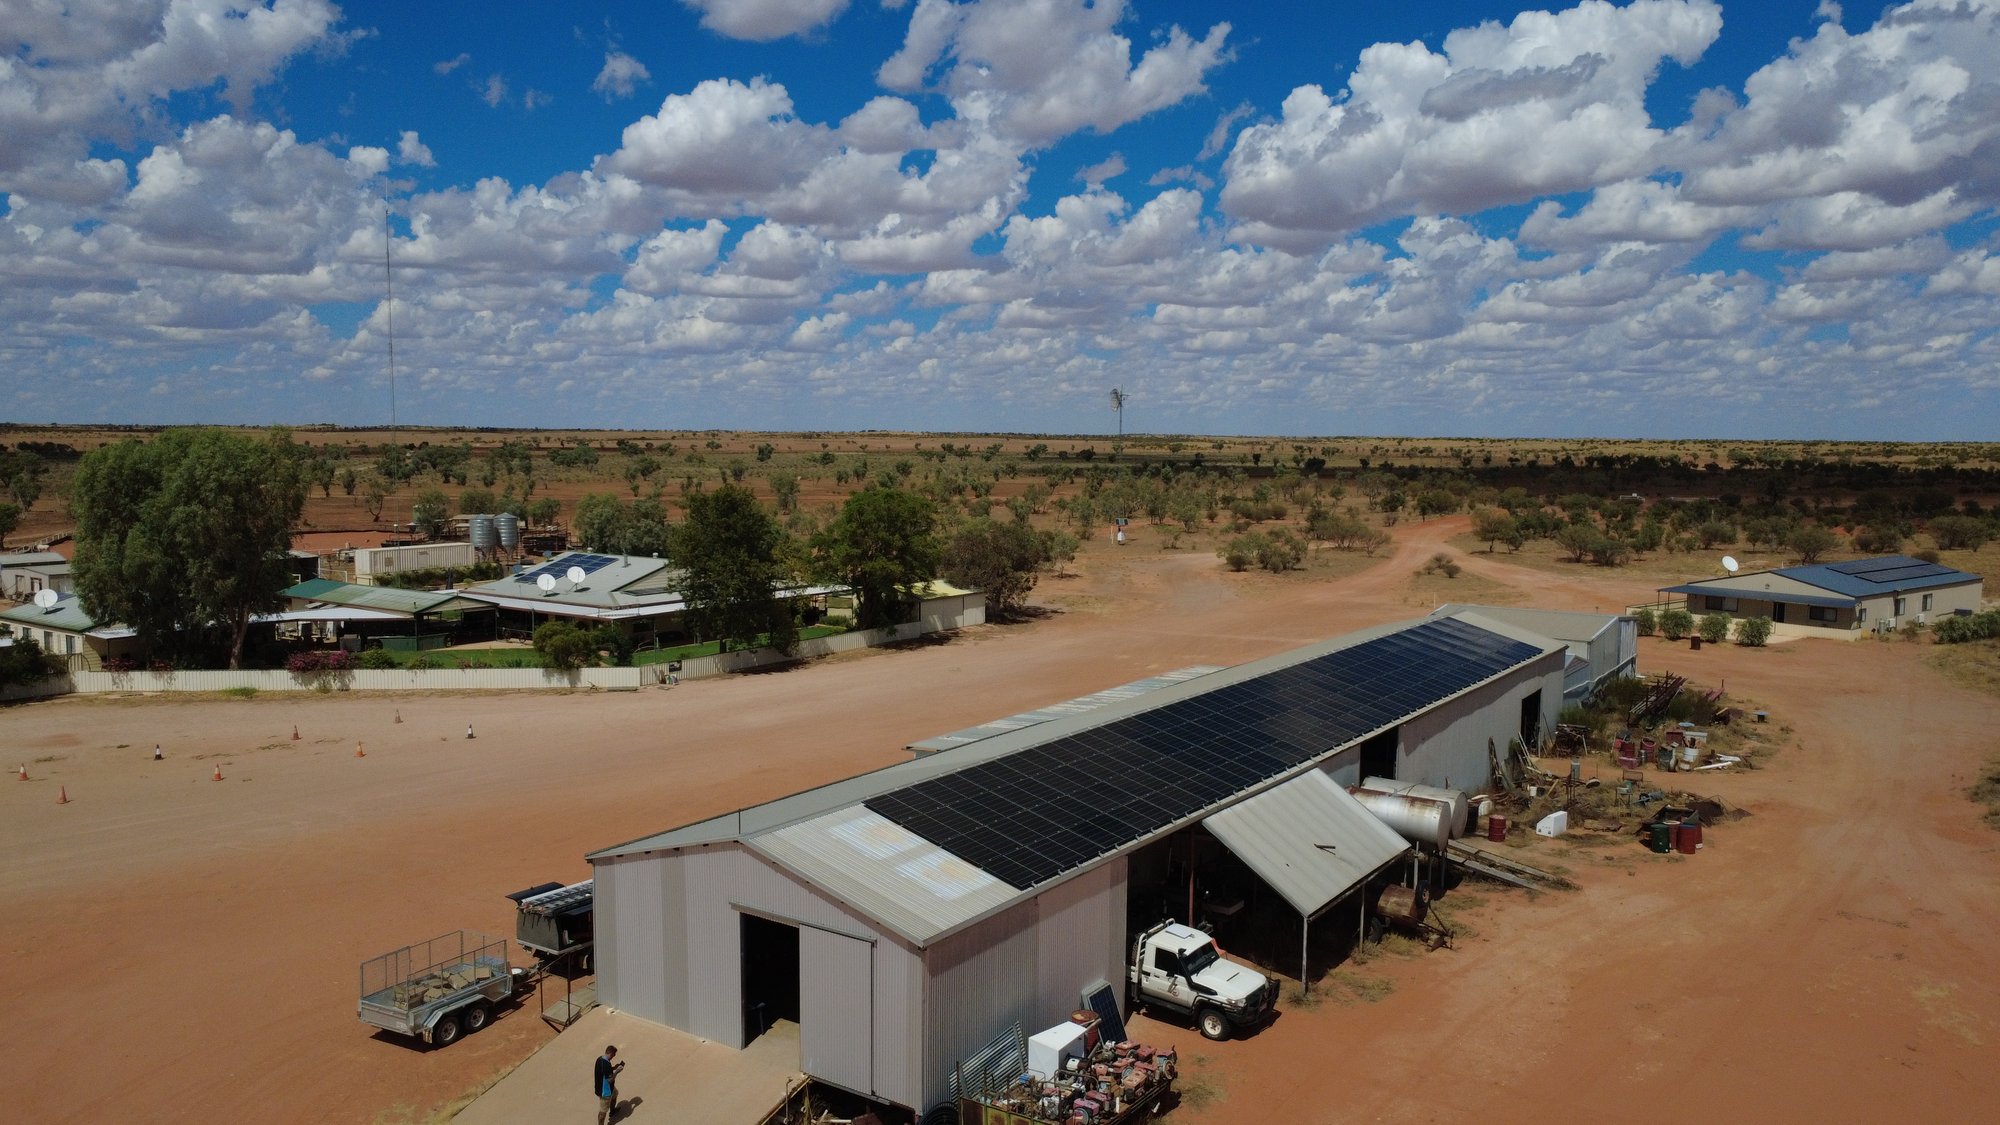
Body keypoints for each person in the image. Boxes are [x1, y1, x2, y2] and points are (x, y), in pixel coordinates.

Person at [594, 1044, 623, 1124]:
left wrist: (614, 1067)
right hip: (605, 1091)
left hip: (609, 1088)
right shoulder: (606, 1064)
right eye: (614, 1054)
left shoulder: (601, 1059)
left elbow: (605, 1071)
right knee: (603, 1112)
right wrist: (617, 1071)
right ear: (611, 1053)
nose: (614, 1056)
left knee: (615, 1094)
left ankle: (612, 1111)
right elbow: (610, 1080)